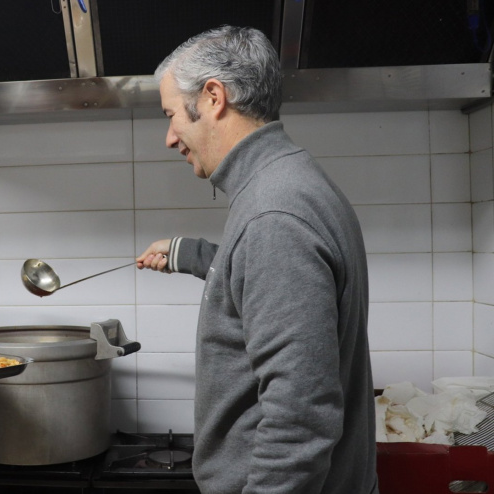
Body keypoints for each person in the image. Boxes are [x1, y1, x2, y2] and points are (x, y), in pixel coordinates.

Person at [136, 26, 378, 493]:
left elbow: (300, 417)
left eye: (171, 115)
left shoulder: (274, 215)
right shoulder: (289, 182)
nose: (169, 137)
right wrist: (190, 255)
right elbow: (260, 279)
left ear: (213, 98)